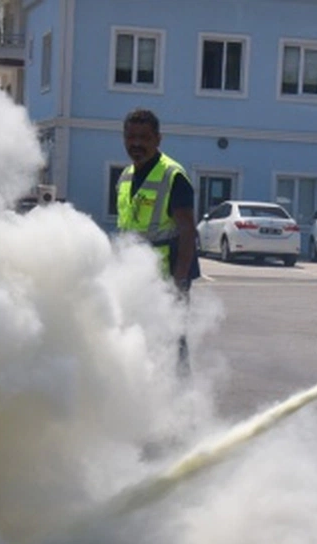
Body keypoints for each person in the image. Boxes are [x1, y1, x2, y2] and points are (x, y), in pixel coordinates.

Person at [116, 108, 199, 373]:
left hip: (167, 279)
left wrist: (179, 282)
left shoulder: (172, 176)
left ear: (158, 139)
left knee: (172, 344)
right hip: (136, 278)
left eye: (144, 138)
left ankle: (183, 396)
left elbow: (188, 232)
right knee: (137, 341)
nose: (136, 144)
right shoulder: (125, 176)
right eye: (131, 137)